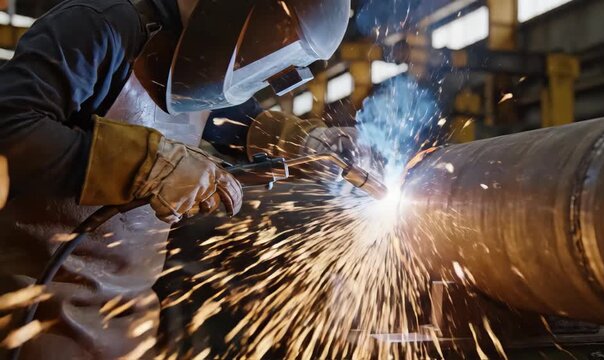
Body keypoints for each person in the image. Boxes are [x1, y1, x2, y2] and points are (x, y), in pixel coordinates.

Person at [0, 0, 358, 357]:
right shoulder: (97, 27)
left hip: (124, 328)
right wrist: (150, 164)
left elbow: (229, 117)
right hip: (27, 320)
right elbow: (11, 124)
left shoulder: (197, 63)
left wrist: (305, 143)